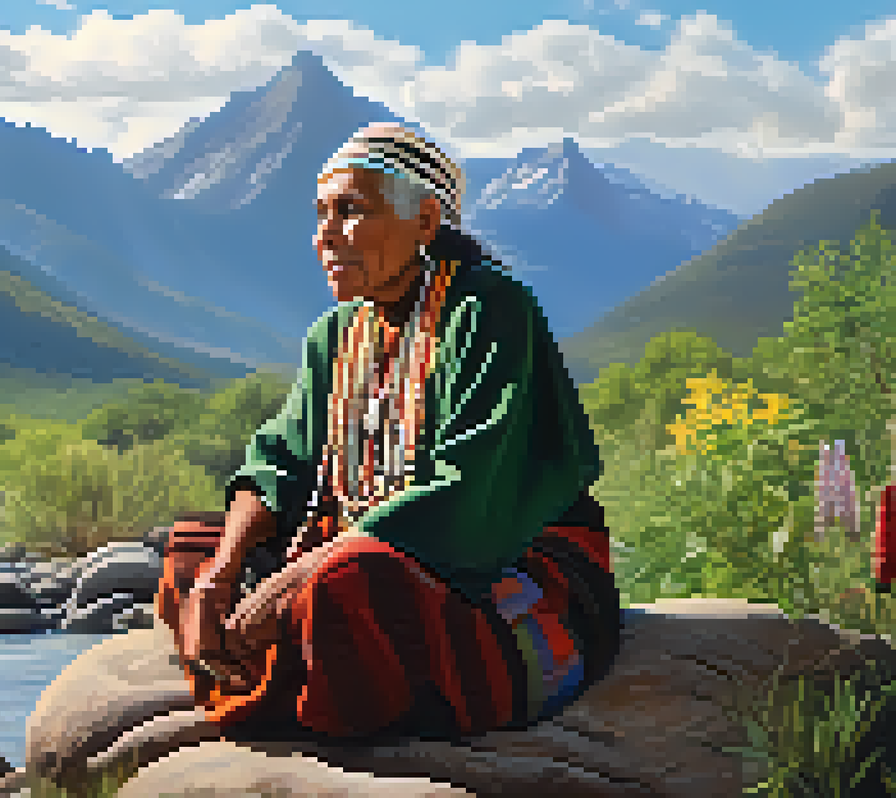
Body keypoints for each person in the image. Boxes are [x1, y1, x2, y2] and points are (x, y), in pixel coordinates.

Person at [156, 123, 622, 744]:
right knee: (193, 549)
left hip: (495, 548)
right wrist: (224, 570)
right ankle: (292, 674)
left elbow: (476, 485)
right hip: (361, 539)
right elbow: (281, 459)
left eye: (352, 211)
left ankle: (321, 690)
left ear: (426, 221)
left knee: (346, 586)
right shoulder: (335, 332)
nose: (326, 236)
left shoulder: (487, 310)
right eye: (320, 214)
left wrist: (300, 577)